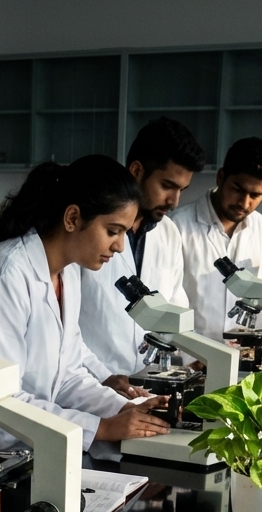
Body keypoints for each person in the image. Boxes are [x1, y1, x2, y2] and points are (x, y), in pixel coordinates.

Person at [0, 154, 170, 451]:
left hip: (30, 445)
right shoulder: (4, 277)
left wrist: (123, 408)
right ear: (72, 218)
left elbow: (68, 376)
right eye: (113, 231)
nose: (120, 246)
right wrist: (101, 428)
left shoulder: (67, 273)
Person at [78, 118, 205, 384]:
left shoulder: (168, 232)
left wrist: (191, 356)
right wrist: (101, 378)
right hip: (87, 382)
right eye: (167, 186)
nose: (174, 201)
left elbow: (173, 306)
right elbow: (63, 324)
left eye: (181, 190)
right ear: (136, 170)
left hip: (143, 382)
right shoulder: (88, 230)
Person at [174, 136, 262, 340]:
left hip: (247, 353)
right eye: (238, 189)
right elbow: (167, 300)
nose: (244, 203)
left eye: (255, 195)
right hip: (189, 354)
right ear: (220, 177)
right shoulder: (177, 226)